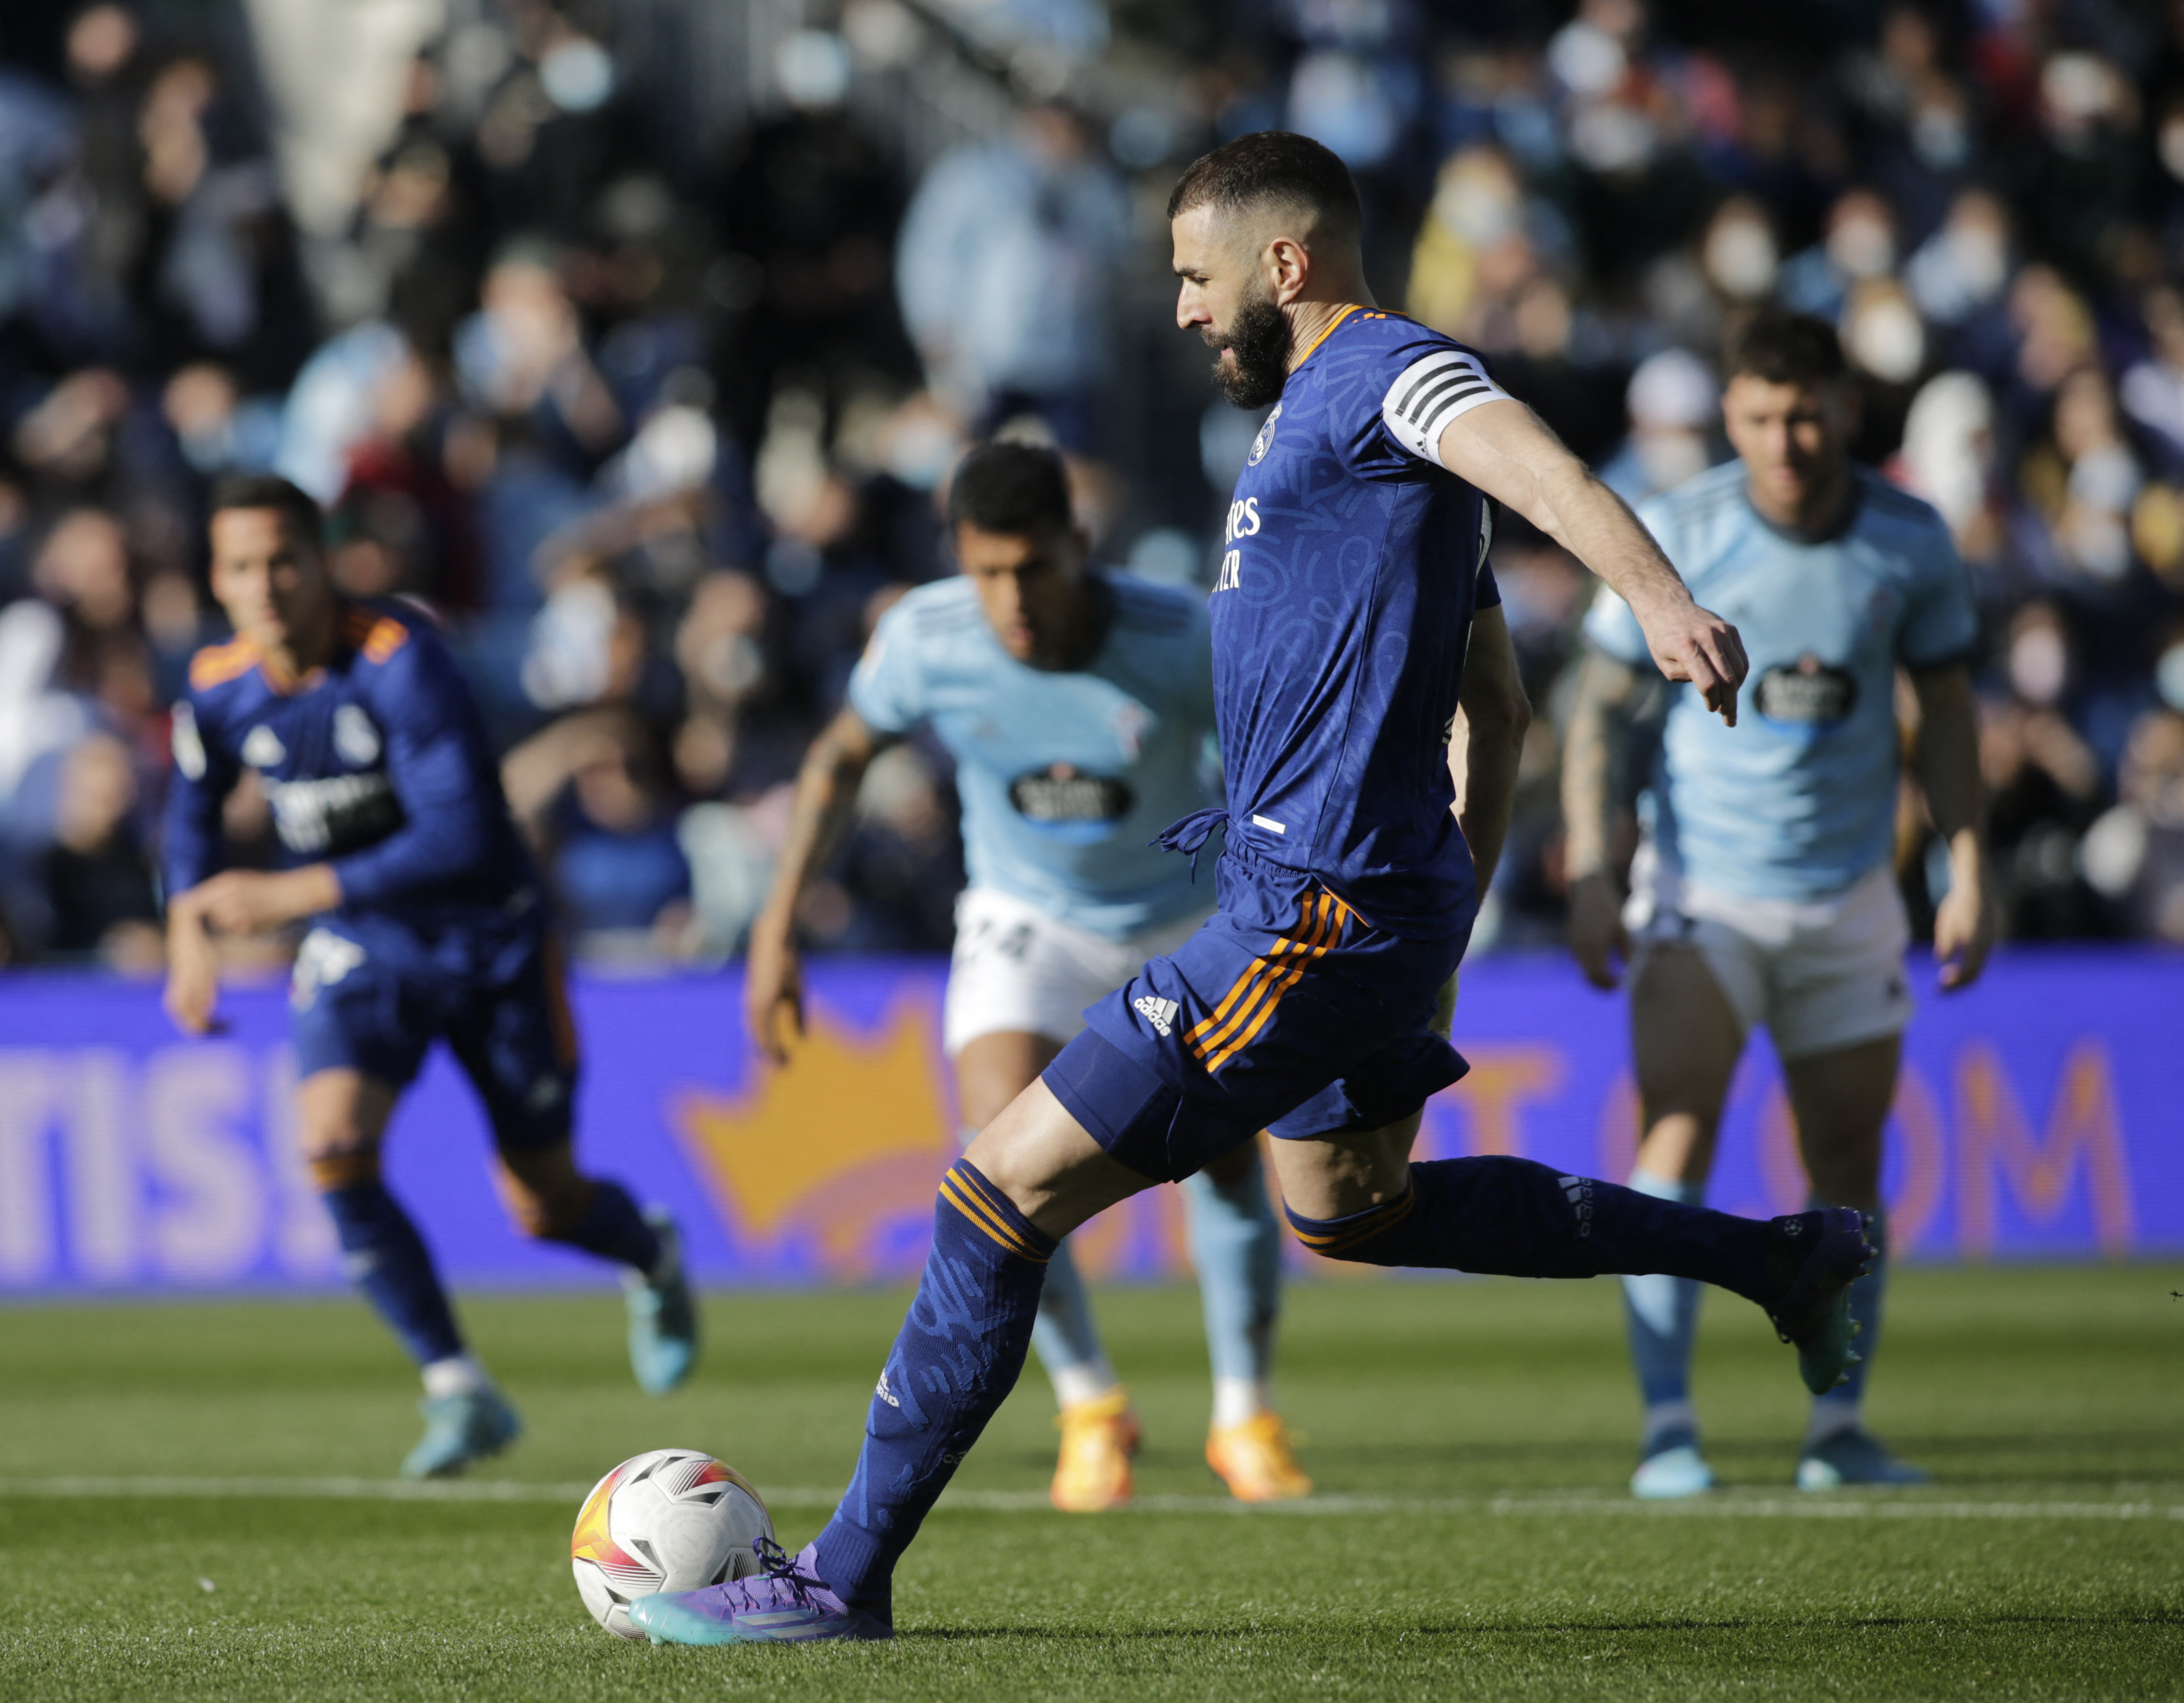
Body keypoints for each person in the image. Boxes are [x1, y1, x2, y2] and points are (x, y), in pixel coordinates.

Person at [628, 132, 1869, 1645]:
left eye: (1192, 277)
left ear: (1284, 264)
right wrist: (1443, 925)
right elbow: (1499, 703)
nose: (1179, 312)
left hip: (1309, 909)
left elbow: (1521, 448)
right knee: (1353, 1214)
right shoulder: (1339, 468)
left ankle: (839, 1577)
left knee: (989, 1194)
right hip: (1362, 905)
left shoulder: (1382, 379)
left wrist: (1658, 595)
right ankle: (1783, 1258)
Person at [750, 439, 1371, 1510]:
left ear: (1079, 546)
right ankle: (1091, 1405)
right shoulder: (926, 638)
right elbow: (841, 754)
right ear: (958, 560)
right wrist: (777, 925)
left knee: (1224, 1162)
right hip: (1026, 918)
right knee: (998, 1157)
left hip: (1184, 917)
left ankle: (1244, 1415)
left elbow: (1285, 766)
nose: (1013, 597)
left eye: (1033, 566)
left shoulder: (1179, 635)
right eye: (988, 570)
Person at [158, 473, 699, 1479]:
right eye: (241, 566)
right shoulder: (218, 687)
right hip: (367, 944)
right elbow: (189, 816)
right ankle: (457, 1386)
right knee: (329, 1143)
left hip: (489, 942)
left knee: (541, 1204)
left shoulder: (402, 660)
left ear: (323, 561)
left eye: (283, 557)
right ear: (217, 581)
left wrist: (285, 896)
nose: (266, 583)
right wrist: (187, 930)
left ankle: (649, 1253)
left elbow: (456, 836)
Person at [1563, 309, 1990, 1497]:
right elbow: (1597, 707)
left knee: (1847, 1157)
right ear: (1731, 414)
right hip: (1705, 892)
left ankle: (1837, 1427)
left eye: (1805, 414)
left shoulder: (1911, 539)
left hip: (1851, 893)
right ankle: (1668, 1426)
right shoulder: (1681, 532)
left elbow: (1948, 714)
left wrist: (1968, 867)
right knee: (1676, 1139)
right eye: (1759, 415)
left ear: (1846, 410)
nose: (1785, 439)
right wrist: (1597, 867)